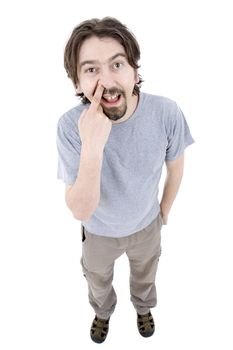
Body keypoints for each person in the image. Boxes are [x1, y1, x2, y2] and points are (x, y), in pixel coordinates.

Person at [56, 17, 194, 343]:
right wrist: (92, 145)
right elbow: (79, 209)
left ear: (134, 69)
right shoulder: (69, 127)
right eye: (91, 69)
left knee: (145, 274)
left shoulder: (167, 113)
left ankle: (143, 307)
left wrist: (163, 212)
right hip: (99, 233)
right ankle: (103, 313)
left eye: (116, 64)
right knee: (98, 280)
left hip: (147, 226)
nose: (107, 80)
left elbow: (176, 168)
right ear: (77, 82)